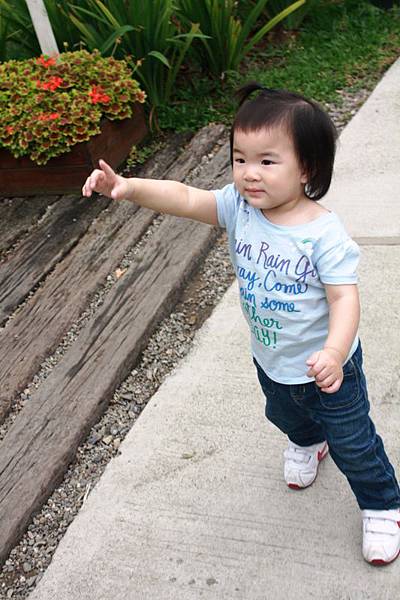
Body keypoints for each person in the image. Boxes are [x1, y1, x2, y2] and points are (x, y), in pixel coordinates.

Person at [82, 82, 400, 566]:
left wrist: (336, 353)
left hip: (330, 370)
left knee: (354, 443)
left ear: (307, 168)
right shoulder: (239, 207)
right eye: (240, 158)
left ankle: (381, 504)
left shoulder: (322, 235)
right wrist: (130, 187)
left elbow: (344, 299)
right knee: (285, 415)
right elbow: (186, 197)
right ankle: (307, 441)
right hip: (272, 358)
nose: (249, 173)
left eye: (267, 161)